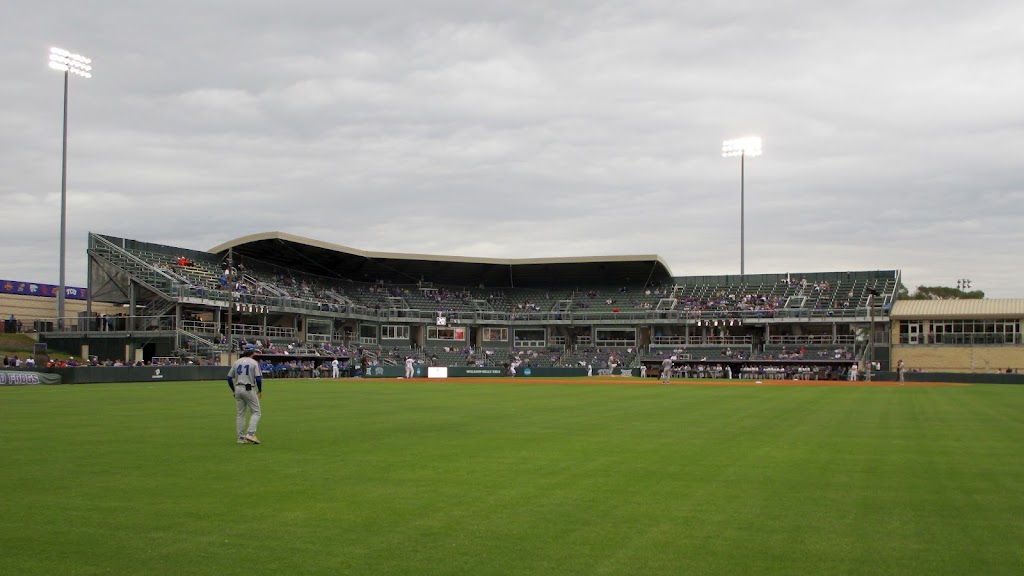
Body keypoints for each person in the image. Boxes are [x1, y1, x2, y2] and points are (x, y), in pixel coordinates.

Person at [228, 345, 263, 444]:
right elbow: (258, 378)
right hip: (248, 387)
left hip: (238, 387)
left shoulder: (236, 362)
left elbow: (229, 378)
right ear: (252, 352)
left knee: (240, 414)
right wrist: (260, 390)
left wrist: (233, 390)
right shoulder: (254, 363)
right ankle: (250, 434)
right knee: (256, 412)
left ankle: (240, 438)